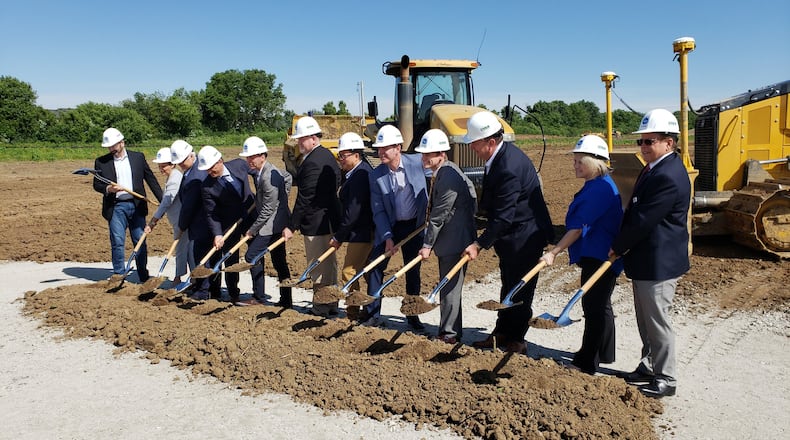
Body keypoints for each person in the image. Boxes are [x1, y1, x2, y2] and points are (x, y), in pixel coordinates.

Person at [610, 109, 691, 398]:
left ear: (669, 142)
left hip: (659, 261)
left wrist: (618, 246)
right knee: (645, 319)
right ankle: (649, 364)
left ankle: (666, 377)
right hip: (646, 259)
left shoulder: (668, 175)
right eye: (641, 142)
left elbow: (645, 219)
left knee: (657, 321)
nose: (643, 147)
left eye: (650, 141)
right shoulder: (654, 168)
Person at [462, 111, 554, 354]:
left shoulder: (509, 166)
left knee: (521, 288)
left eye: (474, 142)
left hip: (525, 236)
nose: (471, 147)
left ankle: (518, 339)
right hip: (513, 235)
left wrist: (480, 243)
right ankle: (502, 331)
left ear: (490, 142)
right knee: (508, 284)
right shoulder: (499, 157)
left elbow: (504, 216)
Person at [540, 135, 623, 374]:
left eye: (579, 161)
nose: (574, 166)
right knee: (600, 304)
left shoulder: (600, 189)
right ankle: (604, 353)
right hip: (599, 252)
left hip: (601, 255)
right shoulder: (600, 183)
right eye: (574, 161)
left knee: (593, 307)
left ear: (596, 162)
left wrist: (553, 253)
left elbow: (577, 228)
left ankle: (586, 362)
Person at [365, 124, 429, 330]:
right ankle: (372, 314)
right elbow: (378, 211)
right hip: (391, 225)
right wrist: (387, 237)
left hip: (415, 225)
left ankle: (412, 314)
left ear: (398, 148)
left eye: (385, 148)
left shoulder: (418, 163)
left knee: (412, 270)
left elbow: (435, 184)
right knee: (375, 267)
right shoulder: (376, 176)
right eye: (379, 148)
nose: (380, 152)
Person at [416, 129, 477, 343]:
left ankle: (449, 334)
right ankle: (448, 330)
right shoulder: (445, 171)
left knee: (449, 289)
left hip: (455, 242)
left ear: (441, 154)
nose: (424, 157)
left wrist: (427, 244)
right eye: (423, 154)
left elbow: (438, 216)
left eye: (428, 154)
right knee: (448, 287)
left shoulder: (449, 175)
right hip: (453, 238)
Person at [93, 127, 163, 281]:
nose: (112, 149)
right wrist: (109, 189)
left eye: (114, 145)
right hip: (116, 207)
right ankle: (119, 274)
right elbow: (97, 184)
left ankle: (143, 275)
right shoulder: (101, 162)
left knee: (140, 241)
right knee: (117, 241)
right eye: (109, 146)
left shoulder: (138, 157)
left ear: (122, 142)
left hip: (137, 206)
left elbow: (150, 179)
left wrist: (162, 201)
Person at [288, 116, 342, 317]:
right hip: (327, 220)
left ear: (313, 138)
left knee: (318, 265)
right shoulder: (325, 156)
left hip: (318, 223)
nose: (299, 143)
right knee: (329, 266)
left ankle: (321, 307)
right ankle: (331, 304)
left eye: (301, 139)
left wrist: (292, 225)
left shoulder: (314, 162)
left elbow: (305, 197)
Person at [238, 136, 294, 307]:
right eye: (248, 157)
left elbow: (267, 210)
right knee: (279, 261)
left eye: (252, 157)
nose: (249, 160)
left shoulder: (267, 177)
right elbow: (288, 177)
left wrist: (252, 230)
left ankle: (259, 297)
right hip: (279, 222)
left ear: (263, 156)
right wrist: (282, 201)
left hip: (271, 226)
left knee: (251, 256)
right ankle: (286, 300)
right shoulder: (265, 172)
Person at [197, 145, 256, 305]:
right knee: (230, 258)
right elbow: (211, 213)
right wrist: (217, 234)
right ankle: (233, 294)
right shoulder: (207, 186)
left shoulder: (239, 164)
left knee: (256, 253)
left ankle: (259, 294)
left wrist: (260, 194)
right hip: (228, 223)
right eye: (207, 170)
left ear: (220, 161)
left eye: (211, 168)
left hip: (251, 215)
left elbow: (257, 174)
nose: (210, 172)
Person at [328, 132, 374, 321]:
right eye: (340, 155)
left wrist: (339, 236)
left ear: (357, 155)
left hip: (362, 232)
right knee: (368, 270)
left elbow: (353, 212)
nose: (341, 159)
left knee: (349, 271)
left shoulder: (360, 176)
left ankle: (352, 313)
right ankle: (370, 306)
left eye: (344, 155)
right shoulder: (355, 173)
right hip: (362, 231)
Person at [172, 140, 213, 300]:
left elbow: (188, 207)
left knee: (199, 257)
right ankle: (200, 287)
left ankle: (202, 291)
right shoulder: (191, 172)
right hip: (200, 221)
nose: (180, 165)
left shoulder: (194, 177)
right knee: (198, 256)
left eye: (182, 161)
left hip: (200, 222)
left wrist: (181, 226)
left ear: (191, 155)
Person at [143, 147, 191, 284]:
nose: (161, 169)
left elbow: (166, 202)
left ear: (173, 164)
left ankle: (182, 278)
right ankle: (181, 277)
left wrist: (153, 221)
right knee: (182, 248)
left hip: (182, 220)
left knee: (183, 249)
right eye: (160, 166)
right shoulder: (172, 177)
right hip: (177, 220)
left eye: (164, 166)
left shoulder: (176, 178)